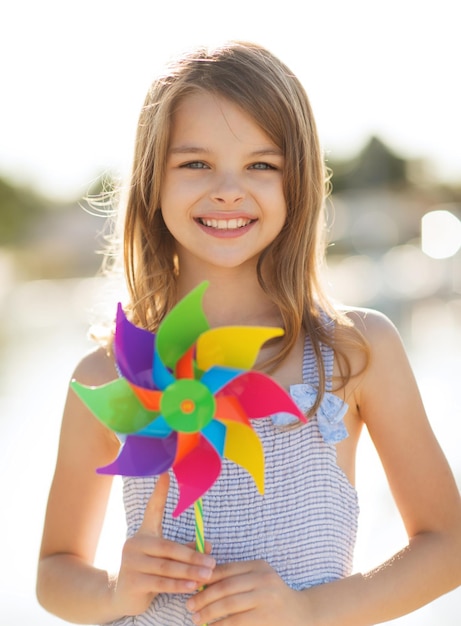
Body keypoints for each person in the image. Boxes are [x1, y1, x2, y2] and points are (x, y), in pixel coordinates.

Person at [36, 41, 461, 626]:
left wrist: (306, 610)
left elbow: (447, 547)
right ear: (151, 182)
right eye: (195, 163)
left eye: (262, 164)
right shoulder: (108, 378)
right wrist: (113, 589)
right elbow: (55, 573)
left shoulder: (354, 351)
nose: (229, 189)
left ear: (299, 181)